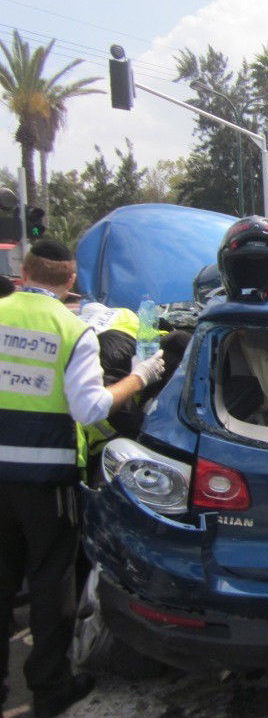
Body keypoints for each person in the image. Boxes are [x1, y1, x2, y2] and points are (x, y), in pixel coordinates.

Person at [0, 240, 165, 718]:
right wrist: (139, 376)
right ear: (70, 281)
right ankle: (50, 688)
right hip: (44, 478)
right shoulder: (72, 330)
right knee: (52, 580)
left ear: (23, 270)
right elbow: (89, 408)